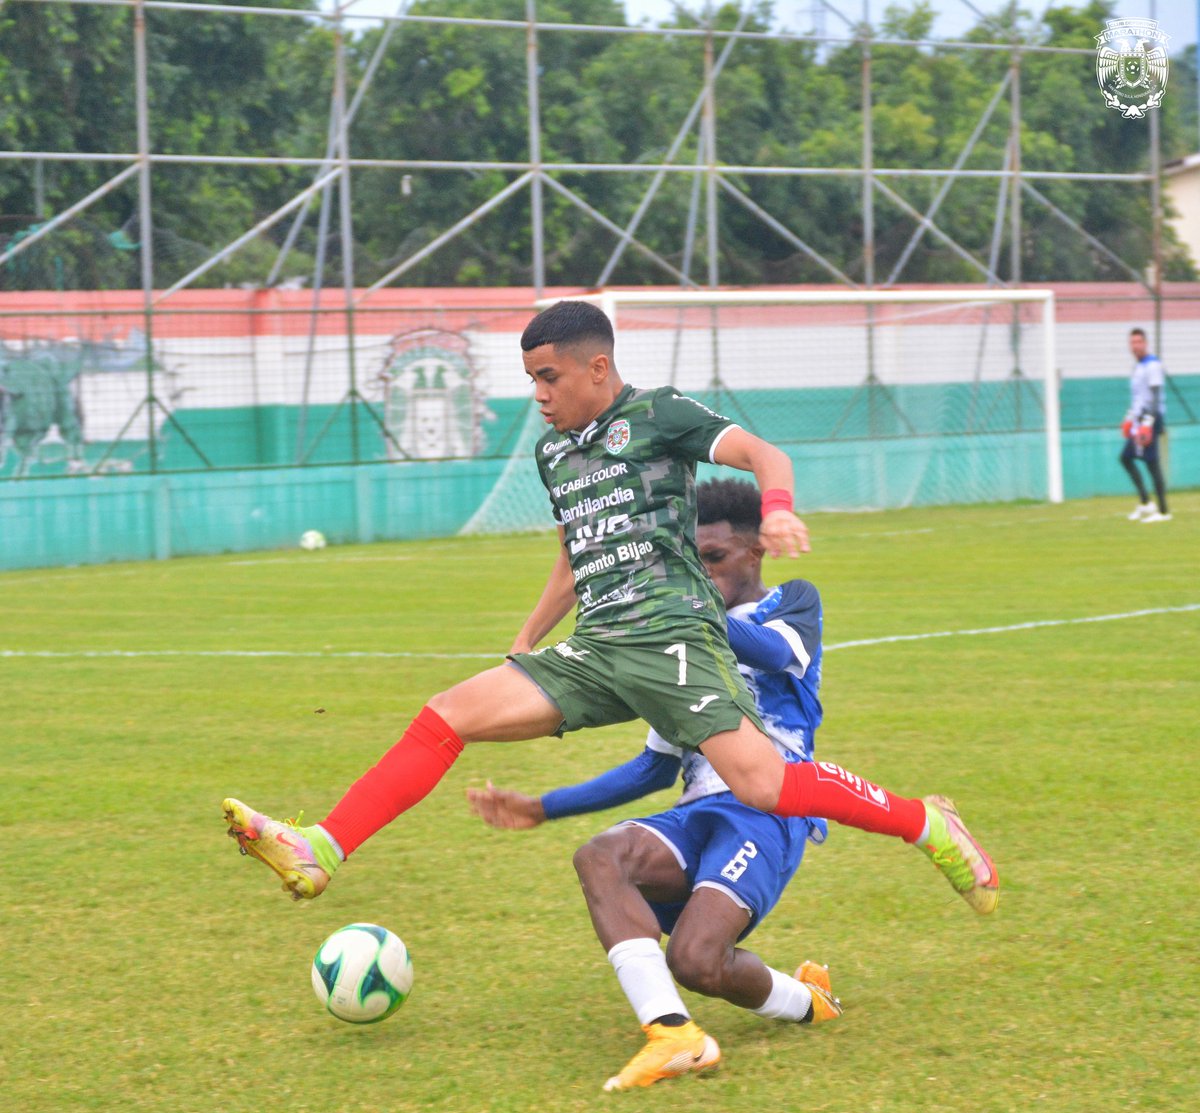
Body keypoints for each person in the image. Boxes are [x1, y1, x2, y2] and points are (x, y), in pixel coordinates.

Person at [223, 300, 997, 929]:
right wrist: (527, 641)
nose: (539, 395)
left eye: (549, 377)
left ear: (598, 367)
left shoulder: (661, 415)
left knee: (765, 786)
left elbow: (766, 456)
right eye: (531, 379)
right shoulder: (554, 455)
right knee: (447, 714)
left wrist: (782, 510)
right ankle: (322, 847)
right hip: (598, 648)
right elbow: (574, 557)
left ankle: (925, 824)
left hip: (675, 640)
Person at [468, 479, 841, 1091]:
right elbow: (654, 768)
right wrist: (542, 807)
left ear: (755, 552)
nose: (703, 574)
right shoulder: (685, 647)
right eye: (694, 563)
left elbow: (775, 655)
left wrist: (689, 608)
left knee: (696, 961)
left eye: (714, 560)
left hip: (767, 813)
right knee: (600, 856)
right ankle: (673, 1033)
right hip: (696, 812)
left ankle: (806, 1001)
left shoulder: (791, 604)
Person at [1120, 327, 1170, 522]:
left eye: (1139, 342)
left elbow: (1155, 396)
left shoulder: (1152, 365)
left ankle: (1164, 512)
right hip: (1139, 419)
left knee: (1152, 464)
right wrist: (1129, 417)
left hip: (1151, 418)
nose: (1136, 346)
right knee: (1126, 457)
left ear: (1146, 343)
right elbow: (1139, 398)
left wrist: (1148, 423)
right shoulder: (1138, 366)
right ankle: (1146, 503)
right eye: (1133, 342)